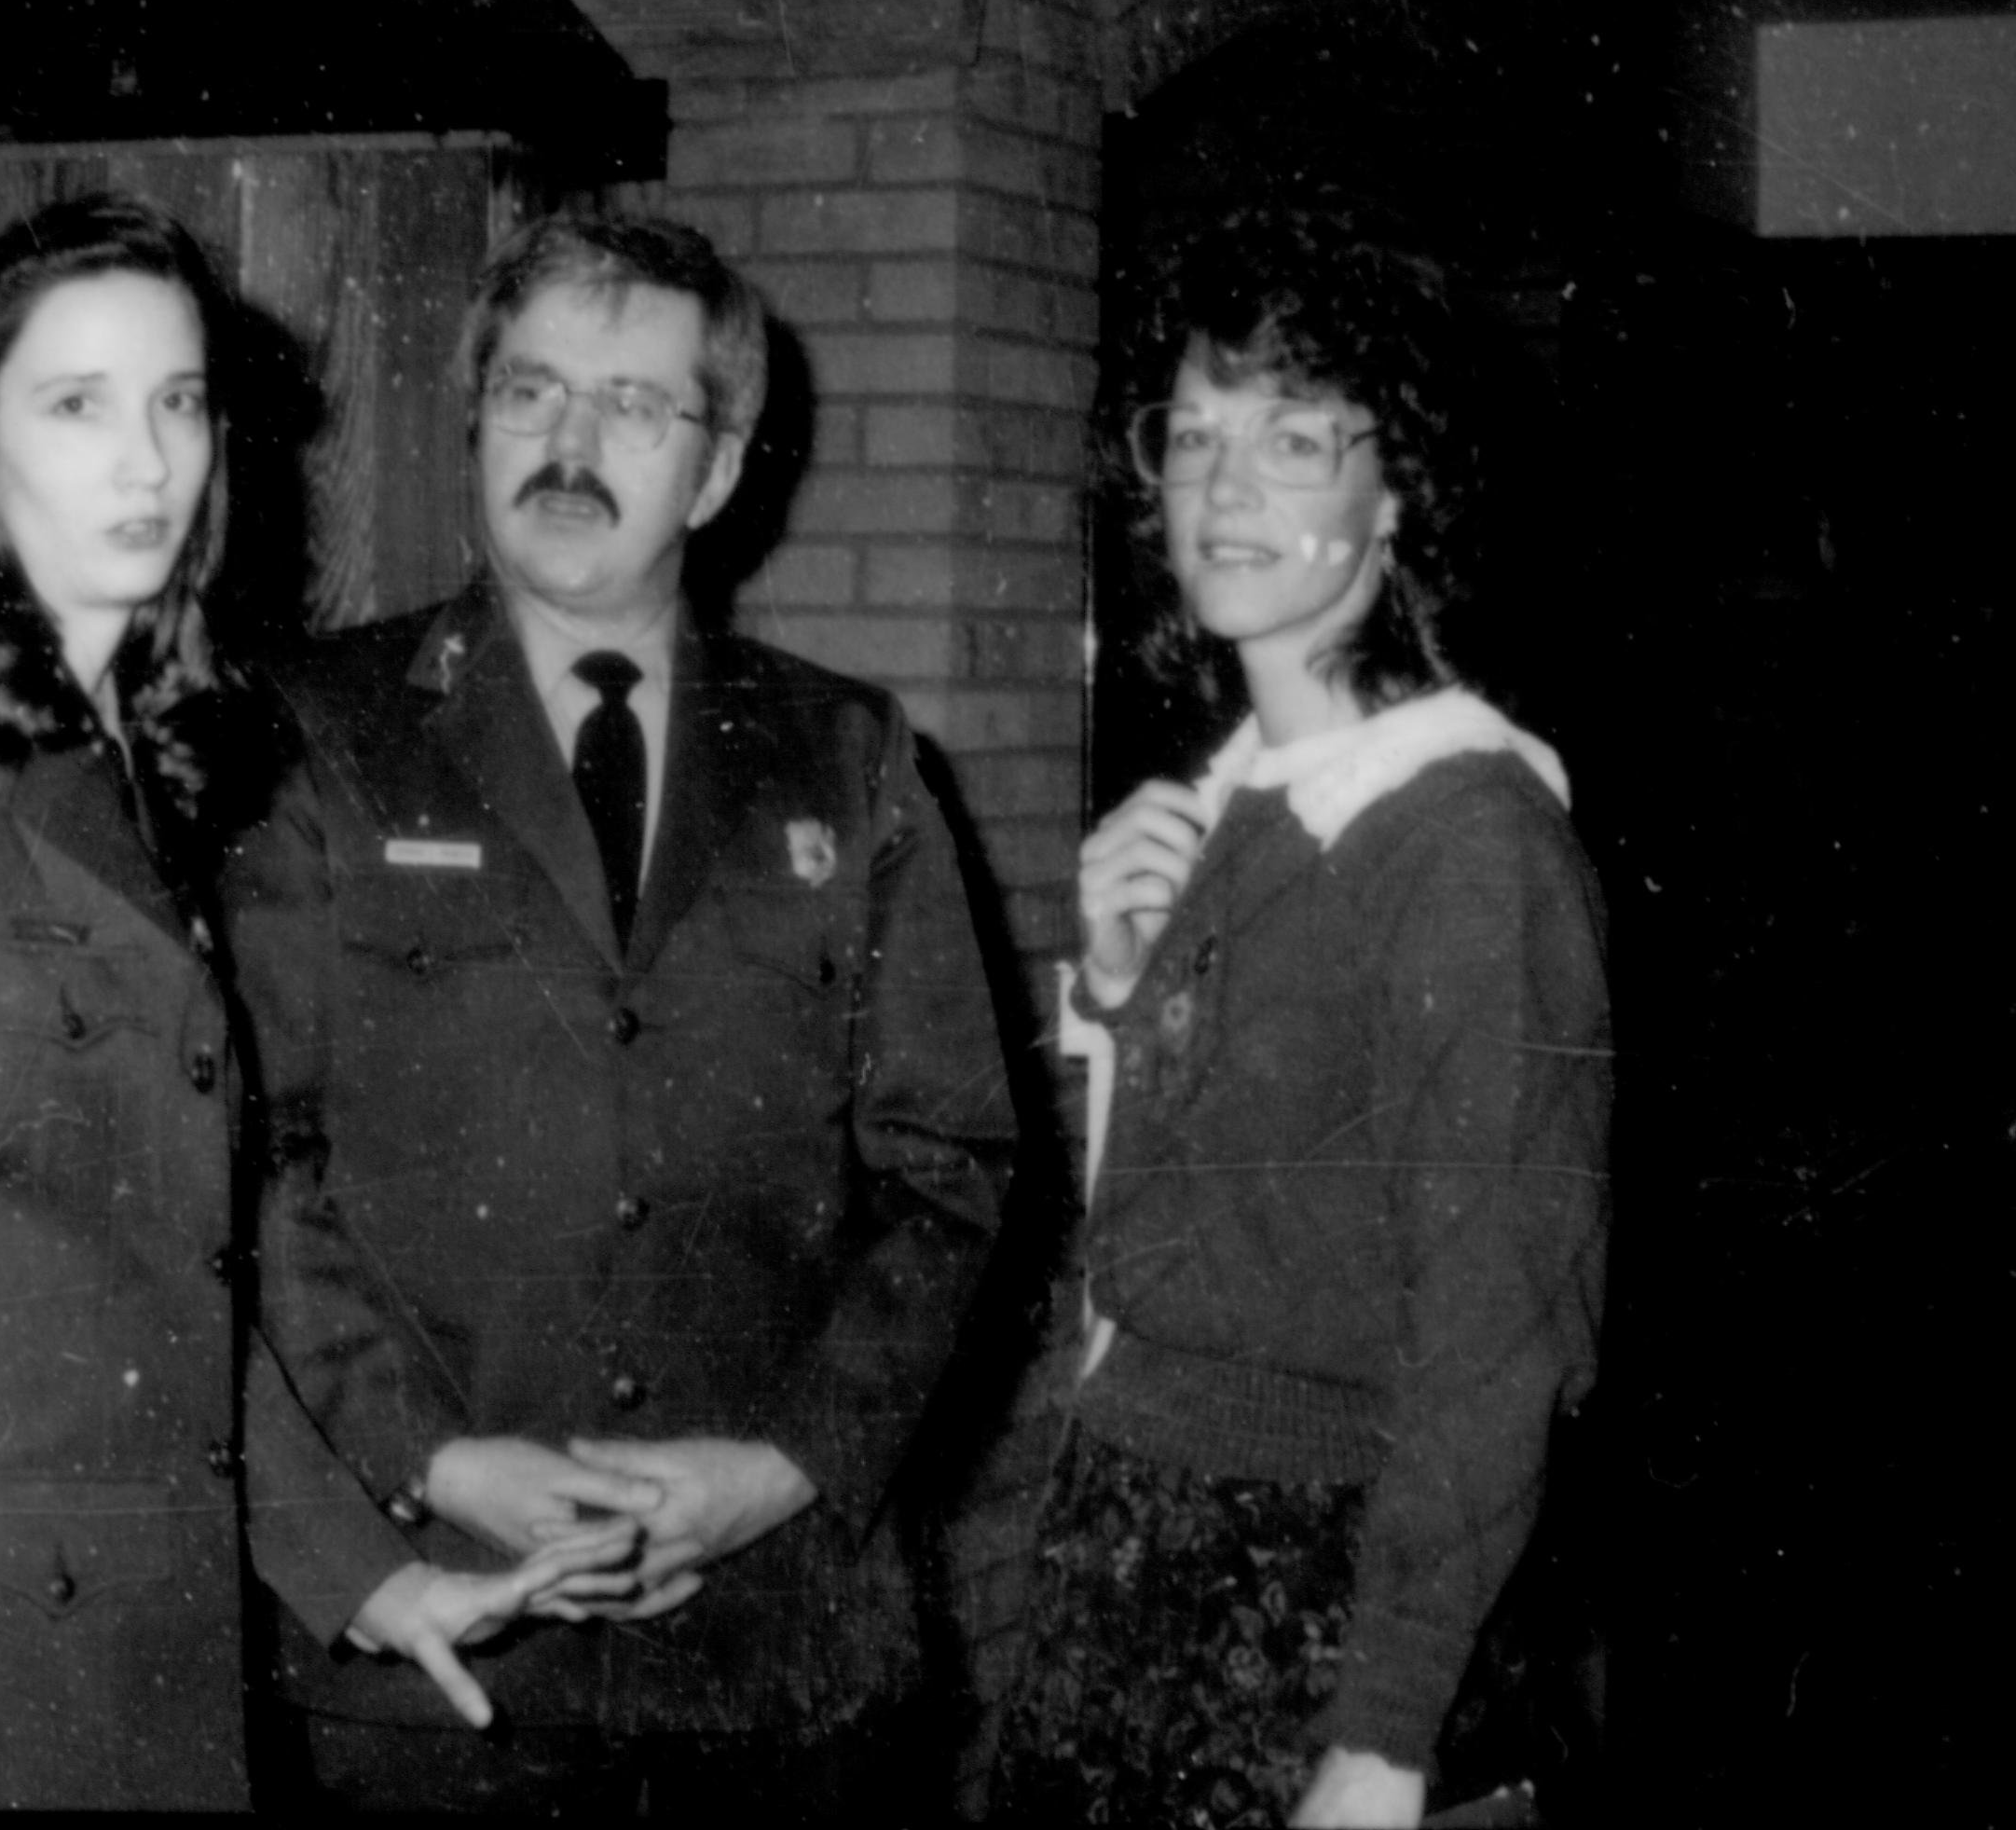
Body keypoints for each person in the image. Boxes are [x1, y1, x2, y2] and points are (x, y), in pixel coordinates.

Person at [0, 195, 608, 1810]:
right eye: (77, 404)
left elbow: (161, 1282)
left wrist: (366, 1579)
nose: (146, 460)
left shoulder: (146, 775)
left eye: (178, 402)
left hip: (148, 1669)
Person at [225, 212, 1018, 1812]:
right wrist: (433, 1462)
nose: (570, 446)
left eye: (635, 408)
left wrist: (777, 1466)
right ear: (475, 422)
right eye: (531, 393)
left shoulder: (850, 759)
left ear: (716, 473)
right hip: (440, 1654)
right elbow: (255, 1157)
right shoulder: (315, 736)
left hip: (783, 1646)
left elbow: (951, 1170)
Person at [981, 208, 1611, 1828]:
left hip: (1321, 1585)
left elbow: (1502, 1324)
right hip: (1138, 1540)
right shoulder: (1230, 804)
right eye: (1194, 435)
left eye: (1294, 438)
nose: (1224, 486)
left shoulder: (1467, 840)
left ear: (1395, 494)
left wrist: (1388, 1733)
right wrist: (1120, 999)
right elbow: (1200, 1216)